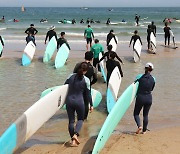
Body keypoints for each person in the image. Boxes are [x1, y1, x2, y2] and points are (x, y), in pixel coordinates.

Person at [65, 62, 93, 146]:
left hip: (69, 101)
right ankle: (75, 135)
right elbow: (88, 94)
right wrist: (91, 105)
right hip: (79, 101)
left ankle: (73, 139)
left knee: (71, 121)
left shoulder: (70, 76)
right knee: (80, 119)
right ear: (85, 71)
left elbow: (64, 88)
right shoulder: (86, 80)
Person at [73, 52, 97, 120]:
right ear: (92, 59)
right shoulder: (93, 68)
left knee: (77, 100)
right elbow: (95, 79)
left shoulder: (78, 65)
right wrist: (90, 84)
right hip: (87, 87)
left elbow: (74, 74)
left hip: (77, 86)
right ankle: (84, 119)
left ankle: (77, 116)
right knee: (86, 103)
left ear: (84, 57)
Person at [133, 62, 155, 134]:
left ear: (145, 68)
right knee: (145, 115)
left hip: (140, 97)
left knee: (136, 114)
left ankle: (139, 126)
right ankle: (144, 131)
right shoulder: (153, 79)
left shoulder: (139, 77)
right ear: (151, 70)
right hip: (149, 98)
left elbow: (134, 86)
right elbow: (152, 89)